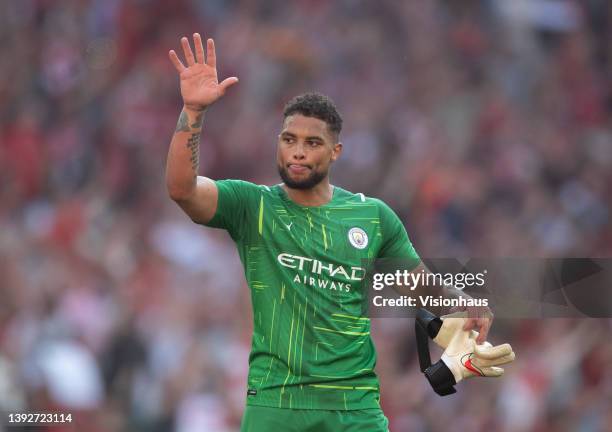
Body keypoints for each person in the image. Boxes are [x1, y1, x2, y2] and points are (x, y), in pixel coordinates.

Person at [166, 33, 493, 432]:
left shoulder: (373, 217)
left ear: (335, 151)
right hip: (277, 402)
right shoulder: (253, 205)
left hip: (353, 408)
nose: (298, 152)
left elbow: (423, 289)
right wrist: (193, 113)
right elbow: (182, 189)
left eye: (311, 143)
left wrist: (464, 303)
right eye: (289, 140)